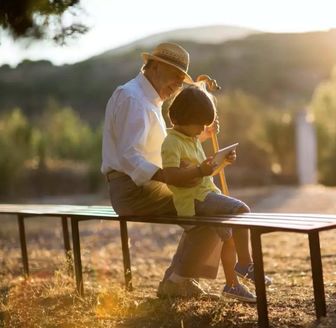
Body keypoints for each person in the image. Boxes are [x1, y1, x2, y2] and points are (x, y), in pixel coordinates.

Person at [101, 42, 224, 298]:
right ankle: (177, 281)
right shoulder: (132, 98)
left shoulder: (147, 98)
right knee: (210, 207)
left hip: (141, 186)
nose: (177, 87)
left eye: (182, 82)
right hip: (133, 191)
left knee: (209, 204)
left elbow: (160, 147)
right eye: (176, 78)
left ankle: (179, 279)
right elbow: (129, 156)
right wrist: (166, 176)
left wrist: (196, 133)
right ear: (155, 66)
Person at [160, 85, 259, 302]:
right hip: (193, 200)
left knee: (229, 236)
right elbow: (170, 176)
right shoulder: (171, 143)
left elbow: (204, 174)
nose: (202, 129)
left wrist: (221, 162)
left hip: (205, 194)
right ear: (183, 118)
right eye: (200, 124)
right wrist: (198, 170)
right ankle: (244, 264)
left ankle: (232, 284)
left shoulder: (192, 139)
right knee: (241, 209)